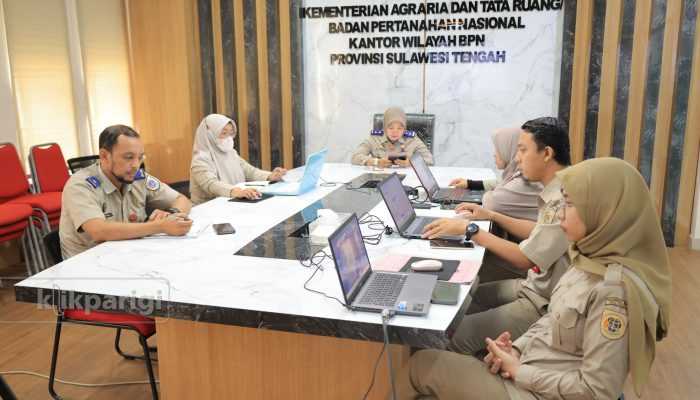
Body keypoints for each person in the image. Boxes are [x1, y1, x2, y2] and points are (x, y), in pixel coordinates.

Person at [394, 157, 672, 400]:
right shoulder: (587, 260)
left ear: (604, 212)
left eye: (570, 205)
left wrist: (520, 371)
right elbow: (553, 319)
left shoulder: (614, 292)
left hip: (534, 391)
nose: (560, 214)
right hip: (531, 370)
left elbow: (597, 391)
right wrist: (515, 349)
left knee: (421, 366)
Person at [424, 117, 571, 356]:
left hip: (544, 301)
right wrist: (492, 215)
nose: (517, 158)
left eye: (523, 150)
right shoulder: (555, 189)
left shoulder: (564, 199)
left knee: (447, 338)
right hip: (534, 286)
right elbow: (538, 231)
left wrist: (470, 230)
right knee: (465, 299)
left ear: (547, 153)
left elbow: (525, 259)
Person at [60, 125, 193, 259]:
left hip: (128, 254)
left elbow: (182, 200)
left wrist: (171, 214)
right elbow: (99, 231)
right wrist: (160, 226)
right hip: (88, 264)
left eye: (140, 157)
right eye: (129, 157)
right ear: (104, 156)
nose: (136, 165)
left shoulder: (137, 177)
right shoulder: (80, 185)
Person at [189, 114, 287, 204]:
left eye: (230, 133)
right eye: (224, 133)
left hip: (232, 203)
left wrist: (270, 176)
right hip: (207, 209)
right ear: (210, 135)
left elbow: (250, 171)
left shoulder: (231, 153)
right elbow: (211, 184)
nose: (228, 138)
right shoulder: (200, 159)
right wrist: (236, 191)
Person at [449, 126, 542, 221]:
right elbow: (501, 184)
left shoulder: (524, 180)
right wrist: (471, 183)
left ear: (510, 149)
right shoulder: (518, 174)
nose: (494, 154)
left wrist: (491, 192)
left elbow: (491, 202)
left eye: (498, 149)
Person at [351, 107, 433, 168]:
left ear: (404, 129)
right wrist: (376, 162)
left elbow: (429, 159)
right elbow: (355, 157)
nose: (395, 132)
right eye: (391, 128)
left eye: (399, 128)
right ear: (384, 128)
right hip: (380, 178)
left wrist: (411, 163)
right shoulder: (375, 138)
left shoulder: (411, 139)